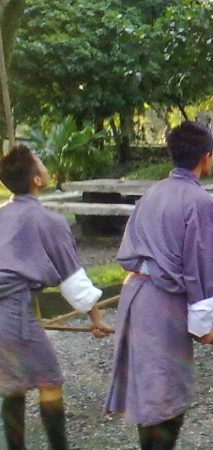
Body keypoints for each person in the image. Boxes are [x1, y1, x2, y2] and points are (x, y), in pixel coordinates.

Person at [105, 121, 213, 449]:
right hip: (162, 302)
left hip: (136, 294)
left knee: (152, 391)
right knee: (163, 395)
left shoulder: (153, 192)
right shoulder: (197, 200)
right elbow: (202, 267)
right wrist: (202, 325)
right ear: (207, 157)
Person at [0, 145, 112, 450]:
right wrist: (97, 318)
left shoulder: (2, 214)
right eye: (41, 164)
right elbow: (73, 279)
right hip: (12, 311)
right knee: (49, 378)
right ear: (36, 179)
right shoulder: (48, 220)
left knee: (12, 381)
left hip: (10, 309)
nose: (45, 168)